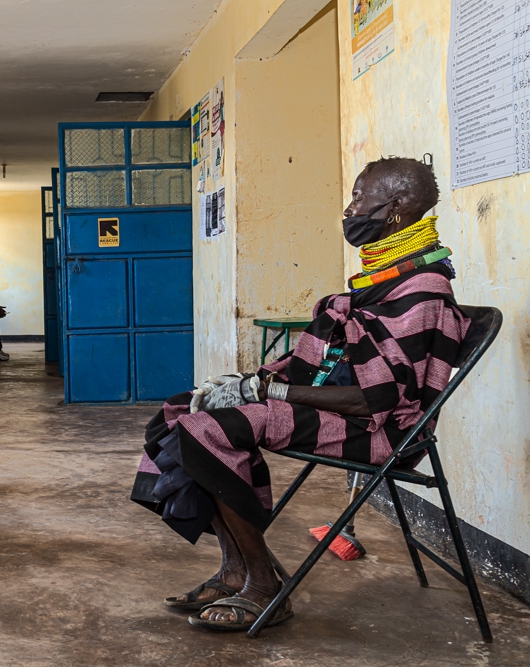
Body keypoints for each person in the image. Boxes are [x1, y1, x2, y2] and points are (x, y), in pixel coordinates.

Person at [143, 157, 468, 632]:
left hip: (380, 430)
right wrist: (243, 382)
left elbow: (374, 401)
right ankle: (234, 568)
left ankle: (263, 585)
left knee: (209, 431)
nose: (350, 207)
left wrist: (266, 390)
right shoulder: (385, 279)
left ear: (395, 207)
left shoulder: (423, 292)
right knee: (176, 413)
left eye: (359, 196)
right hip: (345, 412)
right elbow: (334, 365)